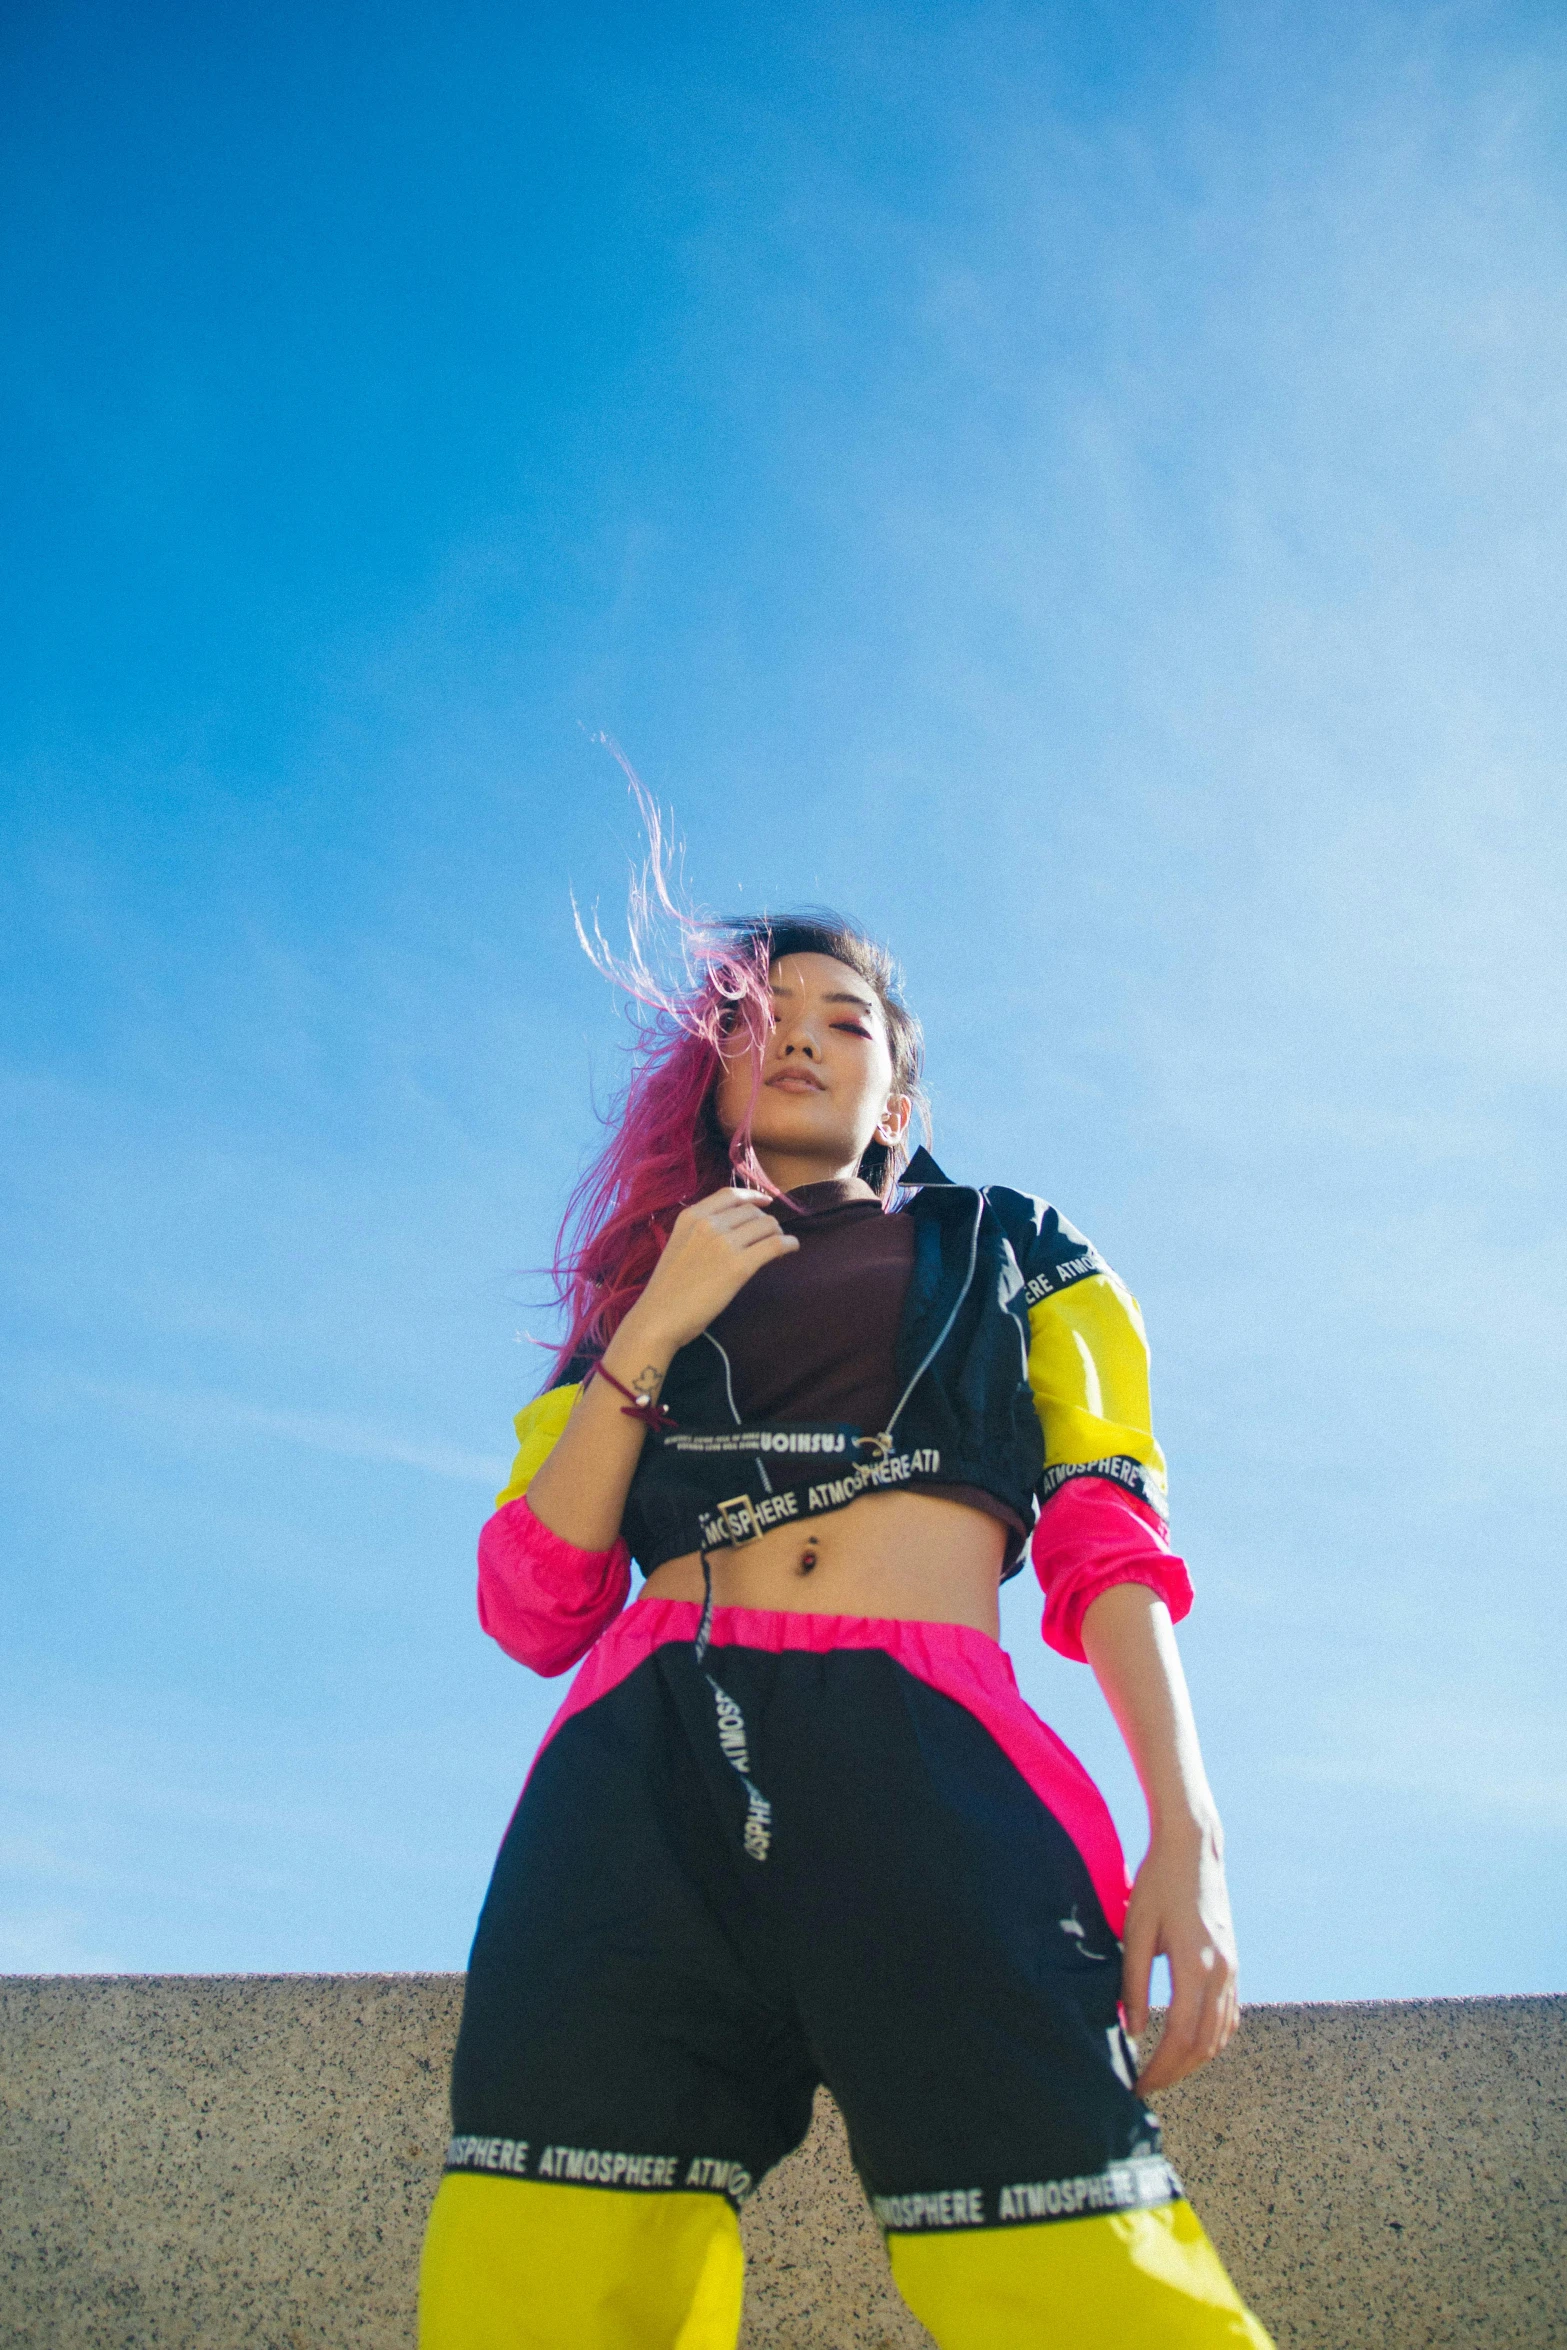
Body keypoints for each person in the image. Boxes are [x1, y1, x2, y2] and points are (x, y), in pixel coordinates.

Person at [419, 905, 1273, 2349]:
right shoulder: (637, 1297)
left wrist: (1183, 1832)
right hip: (635, 1773)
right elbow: (534, 1600)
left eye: (845, 1016)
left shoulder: (1016, 1246)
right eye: (756, 1014)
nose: (799, 1034)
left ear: (902, 1088)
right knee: (548, 2274)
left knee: (1080, 2262)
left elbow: (1104, 1538)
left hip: (923, 1747)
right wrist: (649, 1327)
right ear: (711, 1068)